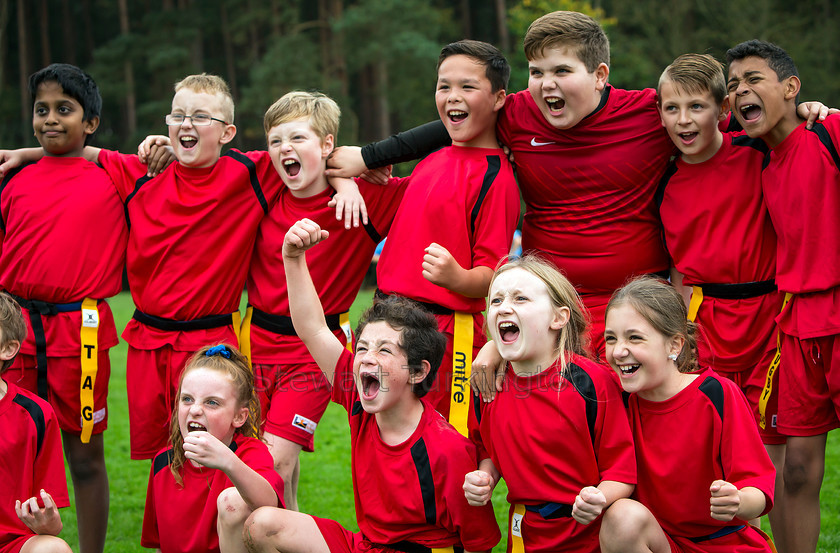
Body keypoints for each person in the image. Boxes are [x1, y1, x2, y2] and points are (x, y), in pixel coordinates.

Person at [241, 218, 501, 553]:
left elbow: (478, 543)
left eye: (384, 350)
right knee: (263, 524)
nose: (365, 358)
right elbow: (313, 328)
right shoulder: (358, 399)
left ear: (418, 372)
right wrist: (292, 258)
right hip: (366, 545)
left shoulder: (448, 451)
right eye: (362, 347)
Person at [242, 91, 407, 510]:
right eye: (275, 141)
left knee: (273, 466)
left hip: (315, 350)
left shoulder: (365, 202)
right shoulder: (263, 188)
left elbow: (437, 180)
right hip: (253, 342)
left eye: (297, 138)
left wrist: (364, 166)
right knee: (270, 464)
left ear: (328, 145)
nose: (284, 150)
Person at [654, 53, 787, 547]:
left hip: (768, 320)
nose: (684, 120)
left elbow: (801, 134)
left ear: (722, 108)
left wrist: (816, 109)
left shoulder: (758, 152)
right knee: (710, 462)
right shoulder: (664, 179)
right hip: (703, 325)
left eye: (696, 107)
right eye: (672, 108)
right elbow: (675, 270)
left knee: (769, 464)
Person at [0, 63, 127, 553]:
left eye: (64, 110)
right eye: (41, 110)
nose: (50, 119)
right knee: (13, 444)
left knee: (86, 457)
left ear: (90, 123)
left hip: (83, 333)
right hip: (14, 332)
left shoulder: (113, 177)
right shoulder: (13, 179)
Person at [368, 39, 520, 431]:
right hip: (386, 322)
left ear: (499, 97)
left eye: (468, 87)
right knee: (387, 444)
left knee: (446, 449)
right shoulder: (431, 159)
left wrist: (458, 278)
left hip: (445, 337)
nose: (453, 96)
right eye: (444, 86)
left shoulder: (496, 176)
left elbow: (494, 275)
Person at [726, 39, 840, 553]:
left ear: (792, 88)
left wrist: (822, 110)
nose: (740, 92)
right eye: (732, 85)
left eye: (753, 79)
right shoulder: (759, 157)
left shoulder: (831, 131)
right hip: (795, 323)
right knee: (793, 469)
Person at [463, 255, 635, 553]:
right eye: (496, 300)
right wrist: (485, 476)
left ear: (559, 317)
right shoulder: (487, 383)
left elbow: (621, 471)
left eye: (521, 298)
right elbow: (487, 449)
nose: (505, 307)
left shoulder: (590, 382)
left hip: (591, 535)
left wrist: (599, 498)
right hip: (525, 532)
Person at [600, 277, 775, 553]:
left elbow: (759, 489)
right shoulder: (613, 399)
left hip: (724, 544)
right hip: (663, 543)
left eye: (635, 337)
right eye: (611, 338)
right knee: (620, 518)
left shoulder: (717, 394)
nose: (619, 351)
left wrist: (738, 500)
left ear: (675, 346)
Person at [143, 344, 284, 553]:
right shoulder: (163, 462)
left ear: (239, 416)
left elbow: (269, 504)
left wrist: (228, 462)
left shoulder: (249, 453)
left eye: (212, 403)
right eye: (187, 399)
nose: (196, 409)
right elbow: (160, 545)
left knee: (233, 500)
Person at [0, 292, 71, 553]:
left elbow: (49, 527)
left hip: (11, 544)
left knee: (53, 548)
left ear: (7, 349)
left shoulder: (36, 414)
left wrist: (48, 522)